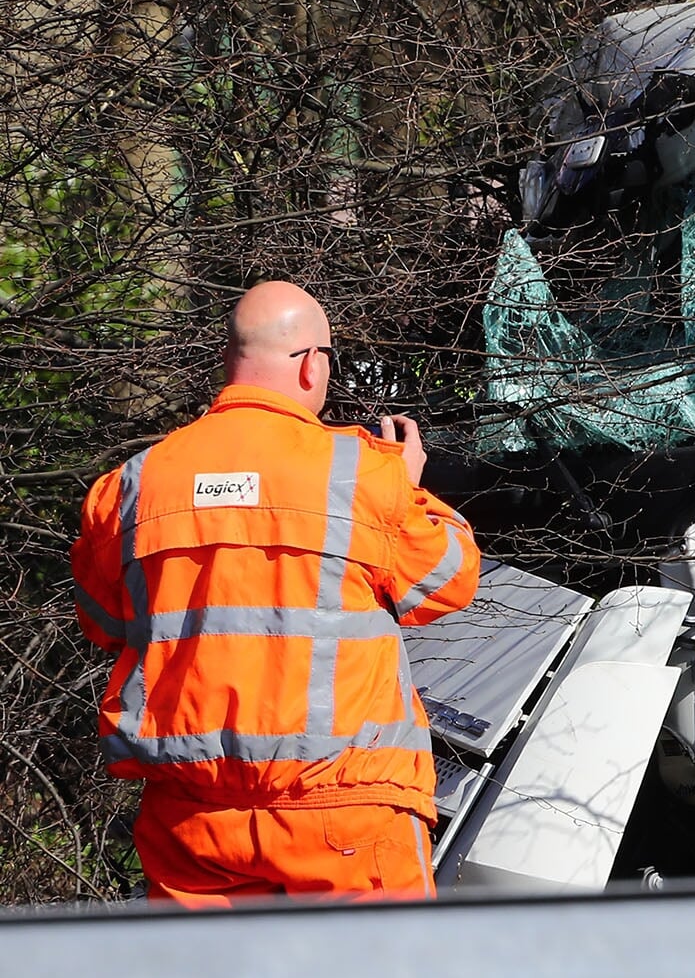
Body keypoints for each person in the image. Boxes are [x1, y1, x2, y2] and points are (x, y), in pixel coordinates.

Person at [70, 281, 480, 906]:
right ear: (313, 363)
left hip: (193, 818)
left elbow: (103, 620)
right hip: (345, 804)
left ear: (231, 363)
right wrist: (413, 488)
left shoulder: (129, 487)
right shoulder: (365, 474)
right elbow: (447, 582)